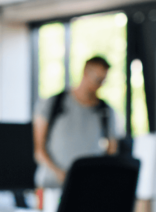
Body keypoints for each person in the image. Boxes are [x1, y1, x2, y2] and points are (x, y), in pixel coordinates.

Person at [33, 56, 119, 188]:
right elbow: (39, 151)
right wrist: (60, 174)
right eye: (97, 79)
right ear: (85, 73)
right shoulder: (53, 103)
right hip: (52, 185)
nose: (99, 85)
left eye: (103, 81)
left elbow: (112, 151)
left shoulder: (105, 111)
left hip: (88, 186)